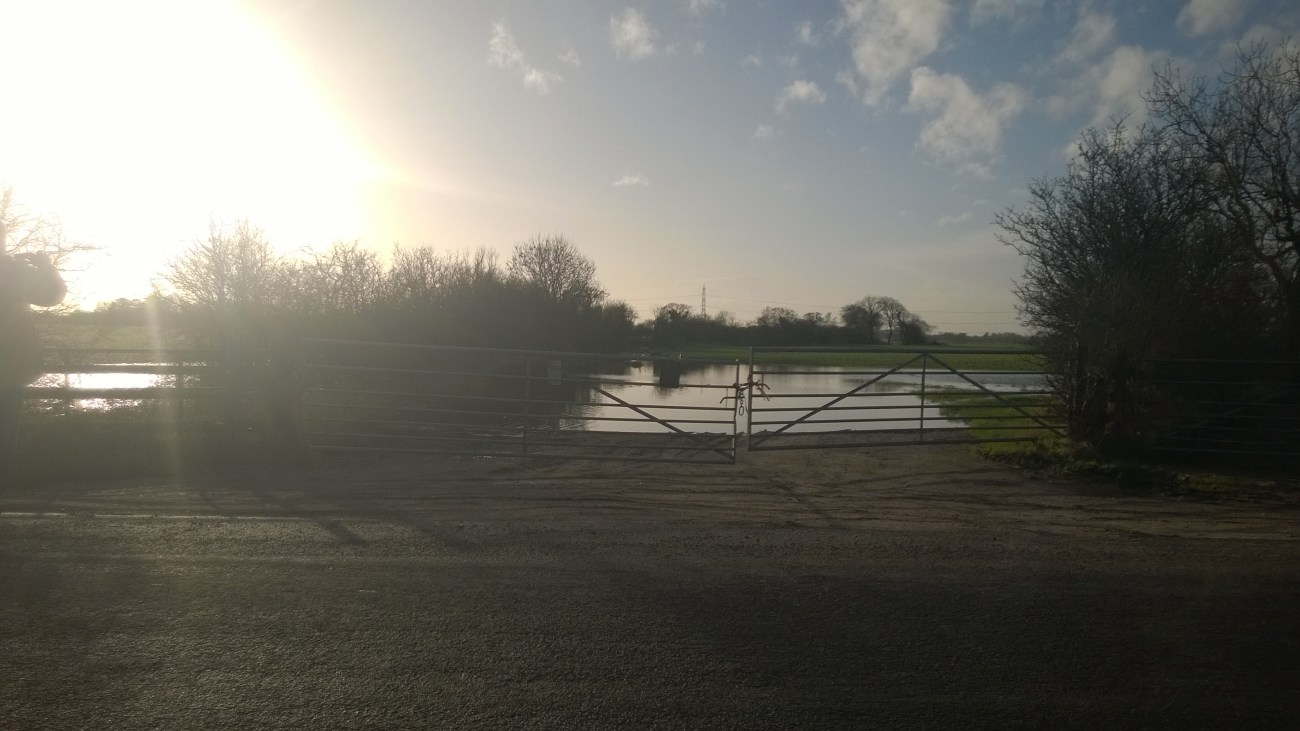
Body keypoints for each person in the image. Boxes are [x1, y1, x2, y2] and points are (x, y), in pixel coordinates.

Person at [0, 221, 67, 473]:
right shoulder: (9, 271)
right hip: (8, 370)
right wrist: (46, 267)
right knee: (3, 436)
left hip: (9, 370)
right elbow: (52, 295)